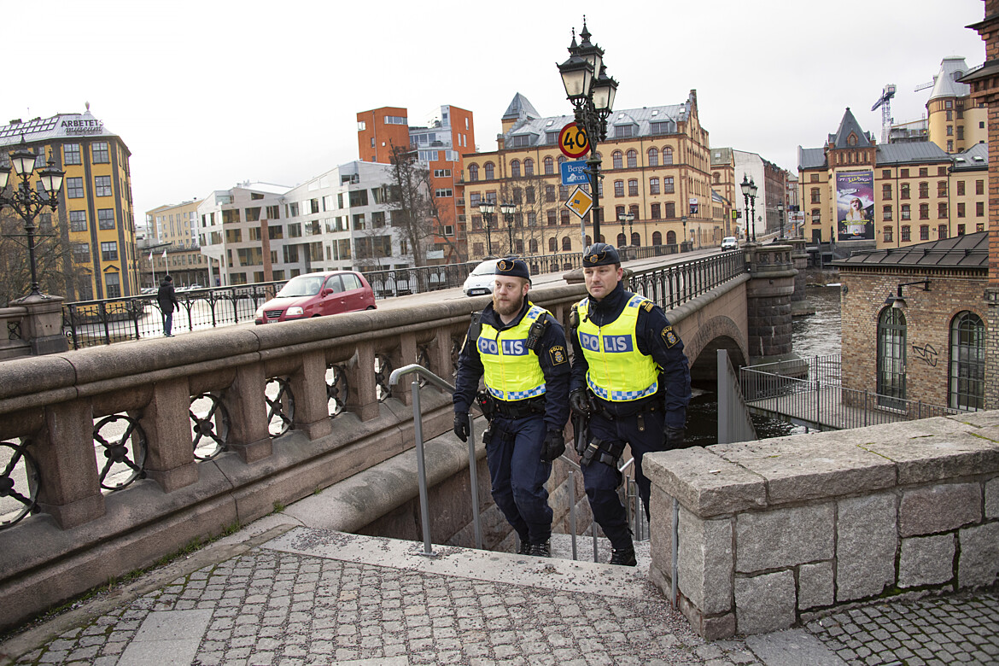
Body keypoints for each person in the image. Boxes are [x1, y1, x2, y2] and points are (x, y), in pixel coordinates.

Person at [568, 243, 691, 566]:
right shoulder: (578, 314)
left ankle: (668, 560)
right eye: (589, 272)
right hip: (603, 417)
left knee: (655, 495)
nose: (595, 278)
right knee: (596, 487)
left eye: (603, 271)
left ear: (619, 273)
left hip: (646, 417)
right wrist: (577, 388)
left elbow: (676, 367)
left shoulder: (645, 315)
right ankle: (623, 550)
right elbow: (580, 361)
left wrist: (675, 420)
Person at [453, 258, 571, 557]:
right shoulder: (480, 323)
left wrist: (555, 429)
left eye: (510, 286)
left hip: (534, 419)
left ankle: (541, 538)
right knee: (502, 492)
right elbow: (467, 367)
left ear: (525, 289)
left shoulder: (544, 326)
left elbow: (559, 381)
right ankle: (527, 537)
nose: (502, 292)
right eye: (498, 285)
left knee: (525, 489)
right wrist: (459, 409)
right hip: (499, 420)